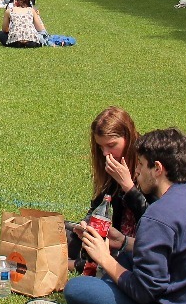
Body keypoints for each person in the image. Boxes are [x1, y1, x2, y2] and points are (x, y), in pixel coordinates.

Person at [28, 127, 186, 304]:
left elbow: (144, 291)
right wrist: (123, 243)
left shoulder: (157, 215)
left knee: (78, 289)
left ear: (157, 169)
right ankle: (102, 298)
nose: (136, 171)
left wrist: (104, 258)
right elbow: (175, 250)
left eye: (140, 164)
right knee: (129, 258)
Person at [63, 107, 146, 269]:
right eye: (101, 147)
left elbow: (154, 219)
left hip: (135, 246)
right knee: (60, 230)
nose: (106, 153)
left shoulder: (146, 166)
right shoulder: (110, 164)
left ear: (128, 138)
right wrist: (86, 224)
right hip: (112, 239)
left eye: (111, 145)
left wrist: (128, 187)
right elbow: (98, 207)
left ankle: (79, 265)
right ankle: (83, 262)